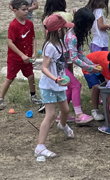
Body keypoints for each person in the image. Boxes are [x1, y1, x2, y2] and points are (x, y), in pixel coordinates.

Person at [35, 14, 75, 160]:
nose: (67, 31)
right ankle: (40, 147)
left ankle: (63, 126)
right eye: (65, 29)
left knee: (65, 110)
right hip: (49, 86)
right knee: (50, 115)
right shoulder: (50, 46)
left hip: (58, 85)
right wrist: (55, 79)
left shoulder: (60, 43)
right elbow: (44, 68)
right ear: (58, 31)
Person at [0, 0, 41, 110]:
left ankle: (33, 96)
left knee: (31, 76)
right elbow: (9, 42)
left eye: (27, 9)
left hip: (27, 58)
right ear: (15, 10)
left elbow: (33, 38)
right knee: (10, 78)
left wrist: (33, 52)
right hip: (15, 59)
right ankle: (1, 99)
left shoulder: (29, 23)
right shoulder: (13, 25)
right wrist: (21, 55)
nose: (26, 11)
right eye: (23, 10)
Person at [64, 7, 102, 124]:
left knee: (70, 87)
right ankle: (79, 114)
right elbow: (74, 58)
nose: (91, 27)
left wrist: (92, 64)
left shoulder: (76, 35)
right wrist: (89, 68)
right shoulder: (72, 37)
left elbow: (80, 54)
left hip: (62, 65)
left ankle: (62, 115)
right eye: (89, 24)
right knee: (76, 85)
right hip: (57, 66)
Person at [82, 51, 110, 121]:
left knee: (103, 83)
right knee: (96, 86)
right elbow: (109, 82)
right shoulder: (107, 64)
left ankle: (106, 103)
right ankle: (95, 110)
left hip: (100, 64)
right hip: (88, 65)